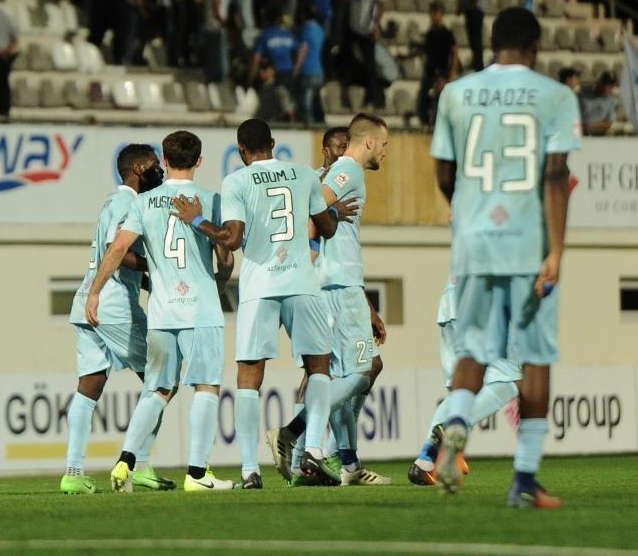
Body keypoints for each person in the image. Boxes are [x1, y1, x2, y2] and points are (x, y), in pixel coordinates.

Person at [430, 6, 581, 508]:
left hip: (474, 242)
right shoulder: (555, 95)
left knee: (472, 350)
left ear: (492, 44)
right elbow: (555, 174)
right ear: (535, 46)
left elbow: (444, 174)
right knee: (533, 357)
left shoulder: (455, 93)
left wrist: (471, 212)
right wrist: (556, 249)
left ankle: (455, 423)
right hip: (526, 242)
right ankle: (524, 480)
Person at [171, 119, 342, 489]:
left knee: (249, 377)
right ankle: (313, 449)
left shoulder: (236, 181)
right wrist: (334, 212)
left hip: (259, 287)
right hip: (301, 283)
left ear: (242, 150)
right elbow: (327, 229)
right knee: (319, 367)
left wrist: (196, 219)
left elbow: (231, 240)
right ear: (273, 143)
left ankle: (250, 470)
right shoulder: (303, 174)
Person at [86, 132, 235, 492]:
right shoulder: (211, 200)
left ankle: (126, 461)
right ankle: (197, 474)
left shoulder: (143, 202)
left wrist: (95, 291)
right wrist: (219, 282)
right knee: (206, 387)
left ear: (165, 161)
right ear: (199, 161)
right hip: (200, 310)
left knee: (157, 389)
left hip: (163, 313)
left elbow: (118, 249)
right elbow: (226, 257)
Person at [282, 114, 392, 487]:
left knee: (334, 374)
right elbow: (314, 211)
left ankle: (315, 460)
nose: (385, 151)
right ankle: (298, 435)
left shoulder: (330, 174)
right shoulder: (348, 170)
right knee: (361, 373)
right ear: (370, 142)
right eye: (384, 144)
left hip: (332, 286)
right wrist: (326, 215)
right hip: (338, 287)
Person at [61, 144, 171, 495]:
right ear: (139, 169)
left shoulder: (110, 202)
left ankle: (73, 473)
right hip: (113, 304)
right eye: (154, 164)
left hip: (87, 302)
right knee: (162, 380)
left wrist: (147, 281)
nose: (159, 170)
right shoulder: (130, 203)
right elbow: (118, 251)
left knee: (89, 387)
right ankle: (138, 464)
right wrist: (159, 267)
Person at [408, 277, 521, 485]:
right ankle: (453, 428)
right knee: (510, 379)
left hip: (451, 297)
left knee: (460, 390)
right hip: (484, 298)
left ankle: (425, 461)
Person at [343, 0, 385, 108]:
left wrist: (375, 25)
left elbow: (381, 5)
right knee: (351, 63)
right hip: (353, 30)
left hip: (367, 30)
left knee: (370, 66)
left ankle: (373, 98)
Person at [416, 0, 458, 127]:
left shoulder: (446, 33)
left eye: (436, 13)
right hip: (430, 71)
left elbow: (454, 53)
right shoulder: (429, 33)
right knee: (424, 100)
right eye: (432, 13)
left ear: (441, 14)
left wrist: (451, 73)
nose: (433, 16)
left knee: (439, 102)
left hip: (442, 72)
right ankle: (425, 123)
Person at [249, 1, 298, 90]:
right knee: (286, 98)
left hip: (271, 75)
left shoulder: (264, 36)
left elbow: (256, 59)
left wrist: (250, 78)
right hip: (288, 74)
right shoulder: (289, 35)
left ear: (266, 18)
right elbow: (297, 54)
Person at [203, 0, 240, 82]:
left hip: (218, 27)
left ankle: (216, 79)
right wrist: (225, 25)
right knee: (218, 58)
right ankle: (218, 80)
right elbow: (216, 7)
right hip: (215, 27)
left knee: (216, 57)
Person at [293, 0, 327, 124]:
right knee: (316, 101)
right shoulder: (320, 29)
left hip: (307, 71)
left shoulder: (304, 30)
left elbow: (303, 50)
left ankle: (309, 125)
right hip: (319, 71)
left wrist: (296, 70)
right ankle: (319, 123)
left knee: (305, 103)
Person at [458, 0, 487, 72]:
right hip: (468, 7)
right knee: (471, 38)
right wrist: (462, 5)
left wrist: (474, 2)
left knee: (476, 37)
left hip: (476, 7)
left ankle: (479, 65)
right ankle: (475, 61)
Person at [580, 71, 619, 136]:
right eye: (606, 84)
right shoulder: (583, 94)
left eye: (611, 86)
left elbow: (609, 123)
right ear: (600, 82)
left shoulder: (612, 100)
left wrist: (588, 127)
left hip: (599, 136)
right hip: (580, 134)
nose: (608, 88)